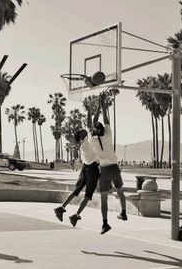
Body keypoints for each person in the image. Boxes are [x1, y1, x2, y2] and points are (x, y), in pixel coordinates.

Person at [89, 93, 127, 235]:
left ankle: (105, 224)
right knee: (120, 191)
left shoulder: (92, 140)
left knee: (104, 199)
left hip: (104, 171)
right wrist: (104, 105)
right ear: (103, 129)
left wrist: (98, 106)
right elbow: (105, 120)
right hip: (115, 168)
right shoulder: (108, 134)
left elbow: (94, 121)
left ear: (94, 130)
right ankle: (123, 212)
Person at [54, 110, 100, 228]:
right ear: (81, 136)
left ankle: (61, 207)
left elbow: (91, 124)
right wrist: (97, 108)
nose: (82, 129)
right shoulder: (88, 140)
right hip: (92, 169)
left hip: (85, 168)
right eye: (80, 131)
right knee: (88, 195)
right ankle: (75, 215)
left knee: (76, 191)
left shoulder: (83, 144)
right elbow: (93, 122)